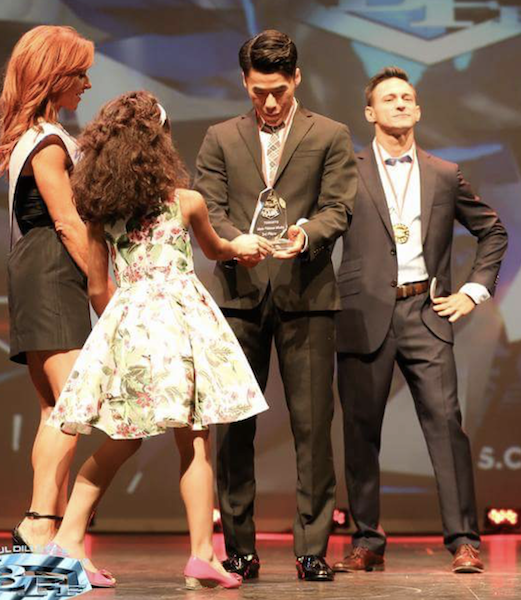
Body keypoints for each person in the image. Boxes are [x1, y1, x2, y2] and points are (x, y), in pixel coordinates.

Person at [44, 90, 270, 589]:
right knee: (195, 439)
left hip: (131, 326)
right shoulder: (185, 203)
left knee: (122, 438)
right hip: (183, 328)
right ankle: (201, 554)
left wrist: (126, 323)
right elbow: (218, 248)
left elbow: (98, 287)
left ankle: (69, 539)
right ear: (159, 144)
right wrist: (242, 245)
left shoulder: (102, 213)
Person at [194, 29, 357, 581]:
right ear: (245, 82)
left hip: (306, 293)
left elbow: (339, 207)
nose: (268, 102)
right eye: (258, 91)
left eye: (279, 92)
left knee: (312, 428)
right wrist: (234, 240)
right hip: (239, 296)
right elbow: (208, 208)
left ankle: (312, 548)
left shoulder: (329, 133)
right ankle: (240, 548)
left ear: (297, 79)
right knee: (236, 429)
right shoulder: (220, 137)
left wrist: (306, 234)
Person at [333, 66, 508, 575]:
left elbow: (492, 231)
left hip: (425, 312)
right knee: (361, 431)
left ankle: (464, 541)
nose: (400, 103)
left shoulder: (444, 173)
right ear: (370, 112)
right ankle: (367, 540)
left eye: (407, 97)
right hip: (364, 312)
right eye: (389, 98)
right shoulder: (346, 169)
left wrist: (472, 292)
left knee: (447, 427)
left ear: (418, 110)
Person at [0, 25, 101, 550]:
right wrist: (105, 288)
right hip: (52, 269)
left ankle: (45, 528)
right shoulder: (49, 143)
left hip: (36, 270)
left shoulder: (35, 137)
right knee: (73, 405)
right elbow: (67, 222)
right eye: (80, 74)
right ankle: (39, 521)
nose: (87, 85)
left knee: (55, 409)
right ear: (55, 76)